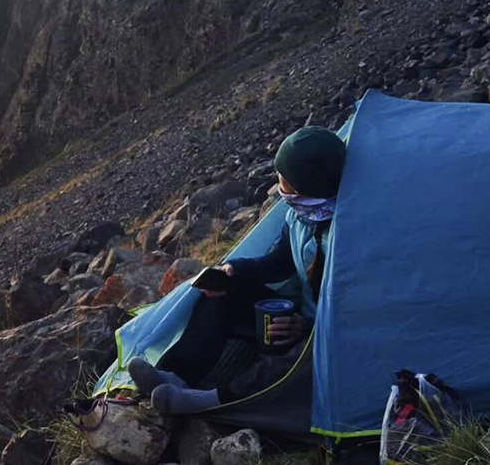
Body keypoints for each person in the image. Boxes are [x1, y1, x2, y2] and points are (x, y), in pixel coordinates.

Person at [127, 126, 347, 415]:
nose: (280, 187)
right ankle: (176, 374)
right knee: (222, 290)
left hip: (329, 331)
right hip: (300, 315)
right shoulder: (300, 215)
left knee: (307, 354)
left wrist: (307, 326)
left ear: (309, 185)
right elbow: (278, 262)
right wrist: (234, 270)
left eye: (285, 181)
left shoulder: (348, 234)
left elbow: (354, 315)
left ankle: (216, 401)